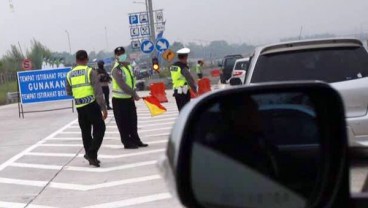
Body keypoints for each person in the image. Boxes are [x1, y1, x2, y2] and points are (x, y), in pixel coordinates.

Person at [66, 50, 107, 167]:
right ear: (87, 59)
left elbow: (69, 92)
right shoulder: (90, 71)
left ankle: (91, 157)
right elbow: (98, 92)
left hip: (80, 106)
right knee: (100, 128)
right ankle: (91, 153)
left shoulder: (69, 74)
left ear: (76, 60)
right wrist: (103, 108)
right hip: (91, 104)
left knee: (86, 132)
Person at [111, 46, 148, 149]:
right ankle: (127, 142)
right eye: (119, 54)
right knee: (123, 123)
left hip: (128, 99)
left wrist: (133, 93)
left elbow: (132, 81)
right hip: (119, 100)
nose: (121, 55)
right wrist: (134, 94)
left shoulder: (128, 66)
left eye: (122, 53)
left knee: (132, 121)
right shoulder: (116, 69)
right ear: (116, 56)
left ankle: (136, 140)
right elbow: (122, 84)